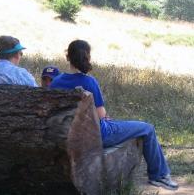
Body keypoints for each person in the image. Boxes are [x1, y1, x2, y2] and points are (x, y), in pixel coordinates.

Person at [50, 39, 178, 191]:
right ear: (87, 57)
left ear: (68, 57)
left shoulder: (56, 82)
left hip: (66, 134)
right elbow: (101, 114)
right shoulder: (89, 82)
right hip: (97, 135)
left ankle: (159, 175)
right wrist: (105, 118)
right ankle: (159, 176)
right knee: (147, 129)